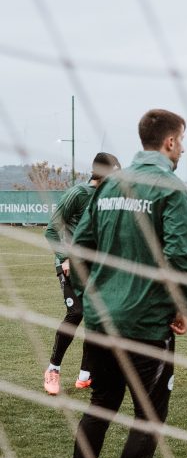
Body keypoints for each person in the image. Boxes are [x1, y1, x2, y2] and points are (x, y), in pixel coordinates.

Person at [63, 109, 187, 458]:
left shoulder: (110, 184)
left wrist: (92, 298)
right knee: (149, 416)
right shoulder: (172, 188)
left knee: (101, 402)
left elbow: (80, 248)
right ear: (170, 142)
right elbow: (179, 259)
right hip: (143, 325)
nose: (183, 148)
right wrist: (184, 307)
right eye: (182, 140)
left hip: (101, 320)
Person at [42, 152, 121, 395]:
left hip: (96, 269)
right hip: (70, 266)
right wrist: (64, 257)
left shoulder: (109, 198)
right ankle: (52, 369)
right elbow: (51, 230)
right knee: (76, 313)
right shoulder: (77, 194)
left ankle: (85, 376)